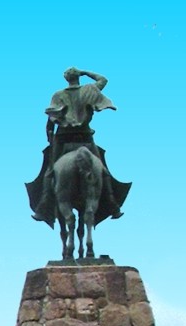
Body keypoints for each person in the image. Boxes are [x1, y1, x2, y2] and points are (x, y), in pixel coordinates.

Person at [30, 67, 125, 223]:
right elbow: (103, 79)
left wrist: (49, 136)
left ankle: (43, 205)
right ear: (78, 76)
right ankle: (112, 204)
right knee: (103, 170)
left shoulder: (58, 95)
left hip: (63, 139)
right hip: (85, 137)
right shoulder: (90, 90)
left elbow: (51, 119)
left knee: (50, 171)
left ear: (66, 78)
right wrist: (86, 72)